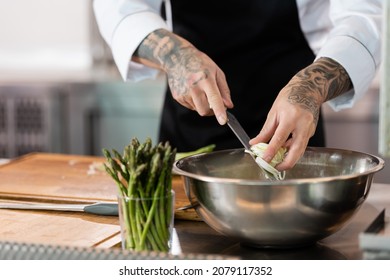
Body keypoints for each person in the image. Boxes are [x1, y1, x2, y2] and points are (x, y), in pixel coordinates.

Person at [93, 0, 382, 170]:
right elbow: (120, 8)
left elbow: (364, 18)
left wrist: (310, 87)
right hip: (191, 117)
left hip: (295, 119)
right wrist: (174, 55)